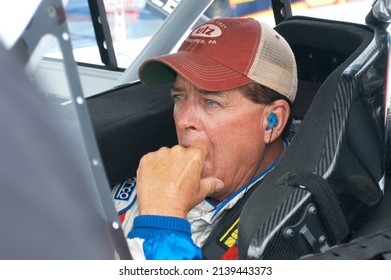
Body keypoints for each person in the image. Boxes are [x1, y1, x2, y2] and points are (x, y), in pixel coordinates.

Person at [112, 17, 297, 260]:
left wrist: (163, 222)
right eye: (179, 98)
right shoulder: (142, 180)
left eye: (211, 102)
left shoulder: (287, 228)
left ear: (271, 121)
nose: (183, 120)